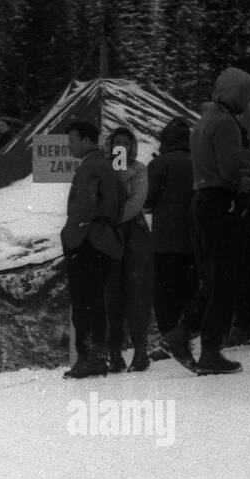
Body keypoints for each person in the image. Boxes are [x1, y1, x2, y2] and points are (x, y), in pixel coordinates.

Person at [165, 66, 250, 375]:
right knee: (226, 281)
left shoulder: (205, 121)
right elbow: (231, 168)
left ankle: (182, 333)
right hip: (223, 203)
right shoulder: (226, 124)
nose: (248, 103)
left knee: (213, 277)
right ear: (236, 93)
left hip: (203, 203)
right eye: (247, 96)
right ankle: (208, 349)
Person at [60, 120, 125, 379]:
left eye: (72, 140)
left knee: (84, 302)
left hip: (88, 242)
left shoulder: (92, 166)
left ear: (86, 139)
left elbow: (84, 209)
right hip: (102, 241)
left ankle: (90, 357)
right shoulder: (105, 165)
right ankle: (96, 354)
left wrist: (71, 237)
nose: (69, 146)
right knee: (95, 301)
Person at [103, 126, 154, 373]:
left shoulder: (139, 169)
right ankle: (114, 352)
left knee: (136, 292)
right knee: (111, 294)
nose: (120, 146)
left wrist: (113, 216)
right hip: (109, 235)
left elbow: (137, 201)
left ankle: (140, 351)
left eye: (125, 142)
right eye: (116, 142)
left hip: (133, 233)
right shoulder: (102, 167)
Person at [146, 118, 197, 355]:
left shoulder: (160, 164)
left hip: (165, 240)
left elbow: (147, 199)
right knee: (189, 290)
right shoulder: (197, 161)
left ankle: (169, 341)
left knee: (166, 294)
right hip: (194, 240)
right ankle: (185, 337)